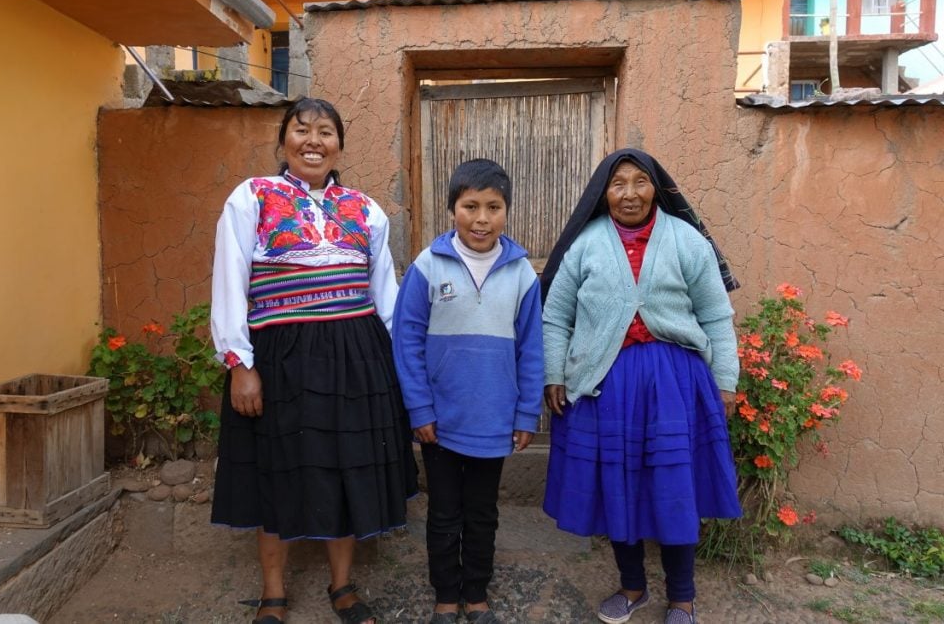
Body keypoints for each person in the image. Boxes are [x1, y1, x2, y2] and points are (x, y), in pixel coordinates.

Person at [210, 97, 418, 624]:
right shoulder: (252, 198)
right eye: (301, 130)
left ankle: (343, 587)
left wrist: (394, 368)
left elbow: (384, 294)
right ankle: (273, 593)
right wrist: (240, 363)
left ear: (339, 145)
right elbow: (230, 282)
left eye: (325, 132)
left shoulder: (365, 209)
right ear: (282, 141)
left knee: (345, 468)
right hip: (279, 360)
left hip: (355, 360)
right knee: (273, 470)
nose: (313, 141)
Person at [540, 149, 742, 624]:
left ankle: (683, 598)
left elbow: (716, 315)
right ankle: (632, 587)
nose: (629, 193)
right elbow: (556, 317)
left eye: (639, 182)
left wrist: (726, 383)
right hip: (604, 386)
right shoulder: (585, 245)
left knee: (675, 488)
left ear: (656, 187)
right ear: (602, 193)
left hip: (674, 383)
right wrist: (554, 373)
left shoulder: (687, 240)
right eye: (617, 184)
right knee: (618, 487)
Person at [392, 159, 544, 624]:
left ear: (507, 211)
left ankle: (476, 596)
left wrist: (525, 415)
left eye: (493, 207)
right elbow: (407, 340)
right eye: (470, 206)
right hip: (440, 421)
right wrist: (419, 409)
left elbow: (533, 351)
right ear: (452, 208)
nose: (482, 218)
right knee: (443, 513)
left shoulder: (522, 275)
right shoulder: (428, 264)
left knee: (482, 513)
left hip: (493, 422)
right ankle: (445, 596)